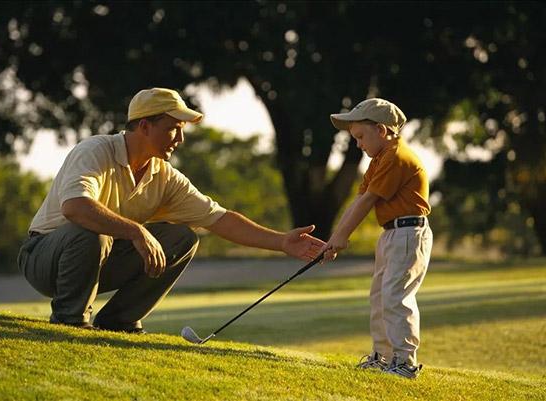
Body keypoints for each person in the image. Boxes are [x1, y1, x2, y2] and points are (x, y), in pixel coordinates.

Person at [18, 87, 325, 334]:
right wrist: (136, 231)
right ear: (144, 126)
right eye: (173, 128)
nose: (179, 139)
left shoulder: (164, 175)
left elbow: (220, 219)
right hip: (44, 258)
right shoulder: (95, 150)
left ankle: (119, 321)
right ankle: (70, 321)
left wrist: (282, 241)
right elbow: (75, 208)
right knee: (93, 230)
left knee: (182, 237)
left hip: (98, 256)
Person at [322, 98, 432, 379]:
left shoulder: (396, 156)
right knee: (380, 296)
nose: (358, 144)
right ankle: (383, 357)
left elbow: (367, 201)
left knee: (396, 296)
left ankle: (405, 362)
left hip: (409, 232)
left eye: (360, 137)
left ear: (381, 131)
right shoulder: (379, 159)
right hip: (392, 233)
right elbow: (358, 199)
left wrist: (341, 238)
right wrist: (336, 237)